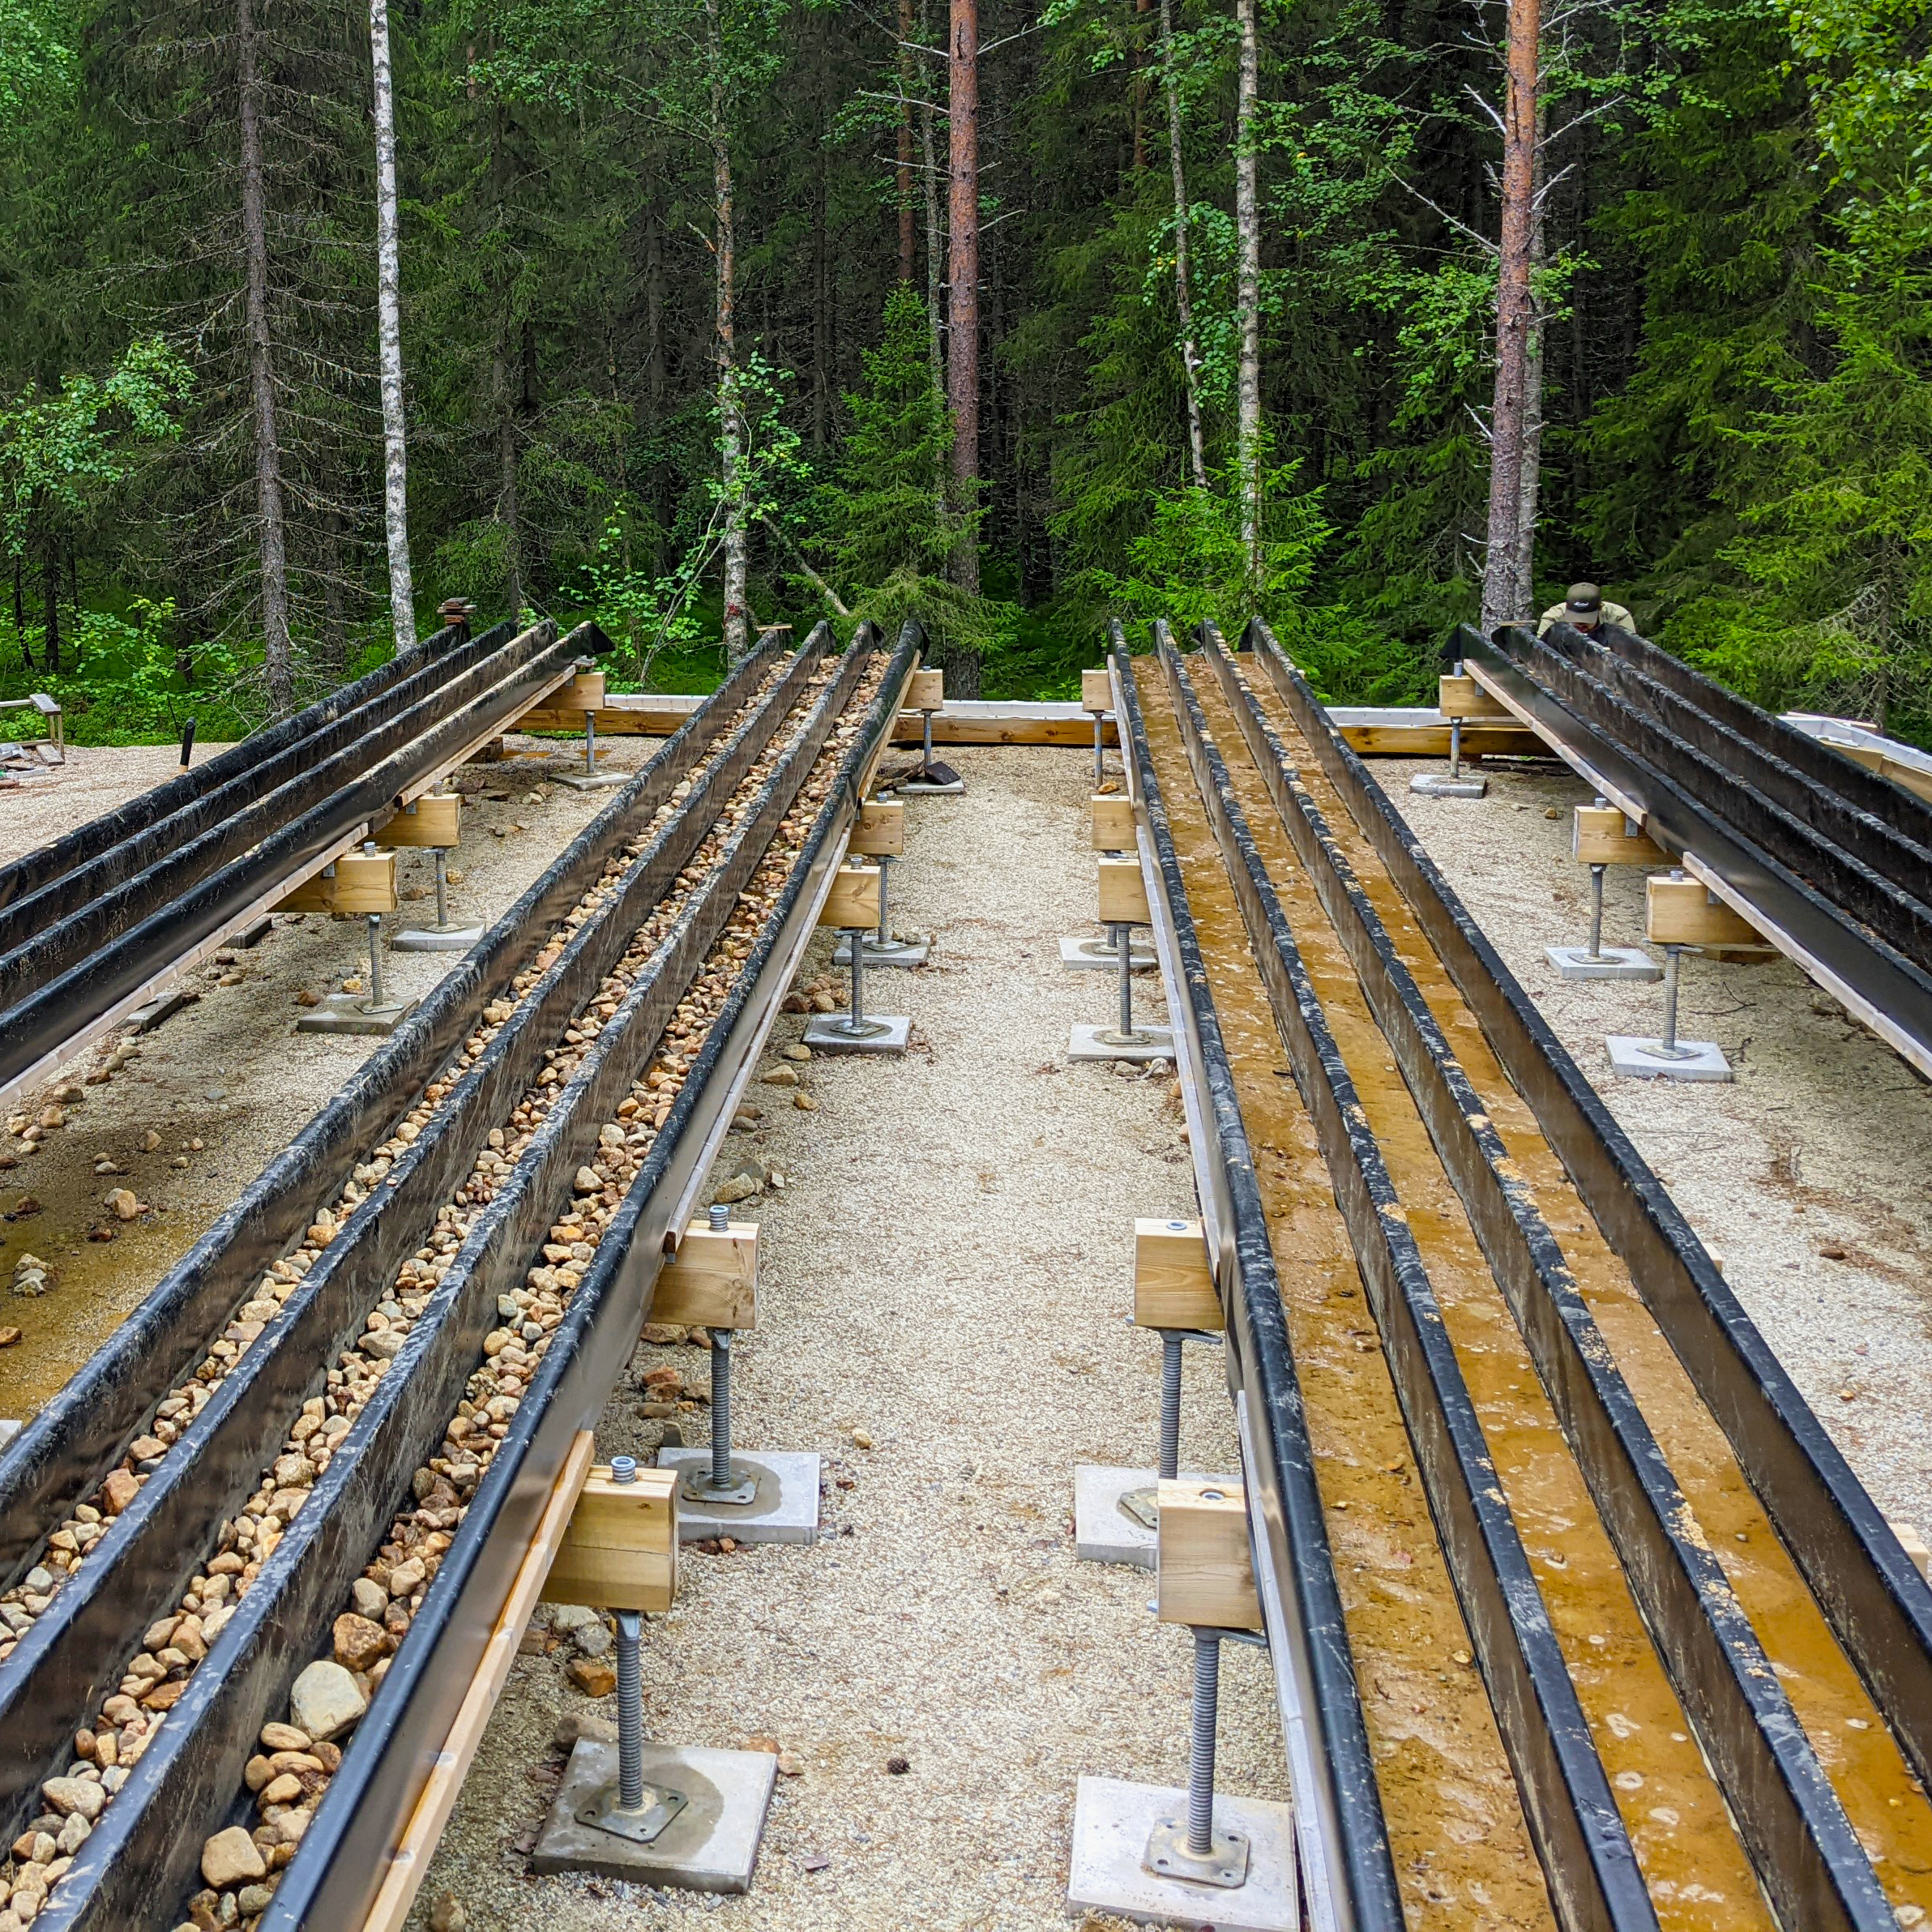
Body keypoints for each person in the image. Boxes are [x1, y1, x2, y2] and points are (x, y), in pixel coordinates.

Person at [1537, 581, 1634, 637]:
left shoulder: (1619, 617)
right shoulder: (1553, 617)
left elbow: (1631, 650)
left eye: (1587, 619)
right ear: (1567, 608)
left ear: (1600, 609)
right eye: (1575, 617)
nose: (1580, 625)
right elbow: (1541, 651)